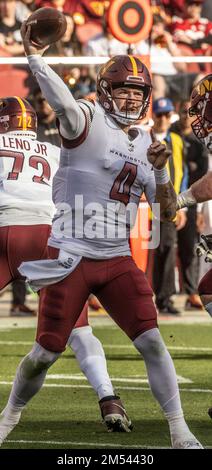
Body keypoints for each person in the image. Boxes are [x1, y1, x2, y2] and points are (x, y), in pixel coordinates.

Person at [0, 24, 203, 449]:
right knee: (45, 354)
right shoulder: (85, 119)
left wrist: (162, 169)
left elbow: (167, 211)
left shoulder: (149, 140)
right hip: (69, 257)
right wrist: (36, 58)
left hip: (115, 259)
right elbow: (60, 100)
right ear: (105, 91)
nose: (131, 98)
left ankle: (179, 431)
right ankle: (8, 418)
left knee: (151, 341)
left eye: (137, 91)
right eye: (123, 90)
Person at [0, 95, 131, 439]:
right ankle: (108, 397)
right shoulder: (53, 150)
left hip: (3, 230)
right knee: (78, 329)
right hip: (49, 235)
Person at [171, 100, 208, 310]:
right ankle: (164, 293)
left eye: (190, 112)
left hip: (192, 201)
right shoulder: (169, 134)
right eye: (183, 112)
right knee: (164, 249)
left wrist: (201, 209)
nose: (187, 116)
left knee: (190, 247)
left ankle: (191, 291)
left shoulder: (199, 140)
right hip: (169, 198)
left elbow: (205, 178)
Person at [152, 98, 188, 315]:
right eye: (160, 115)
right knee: (145, 252)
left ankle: (164, 298)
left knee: (166, 249)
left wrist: (182, 205)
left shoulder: (176, 140)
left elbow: (182, 174)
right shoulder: (142, 138)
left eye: (167, 115)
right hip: (145, 204)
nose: (164, 119)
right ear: (153, 116)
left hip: (167, 205)